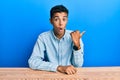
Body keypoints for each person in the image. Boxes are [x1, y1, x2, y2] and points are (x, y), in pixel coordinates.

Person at [28, 5, 85, 75]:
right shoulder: (43, 37)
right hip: (50, 75)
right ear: (51, 21)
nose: (61, 23)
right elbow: (33, 62)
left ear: (67, 20)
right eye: (56, 19)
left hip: (70, 75)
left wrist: (77, 46)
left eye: (64, 19)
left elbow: (78, 65)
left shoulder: (75, 36)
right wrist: (58, 67)